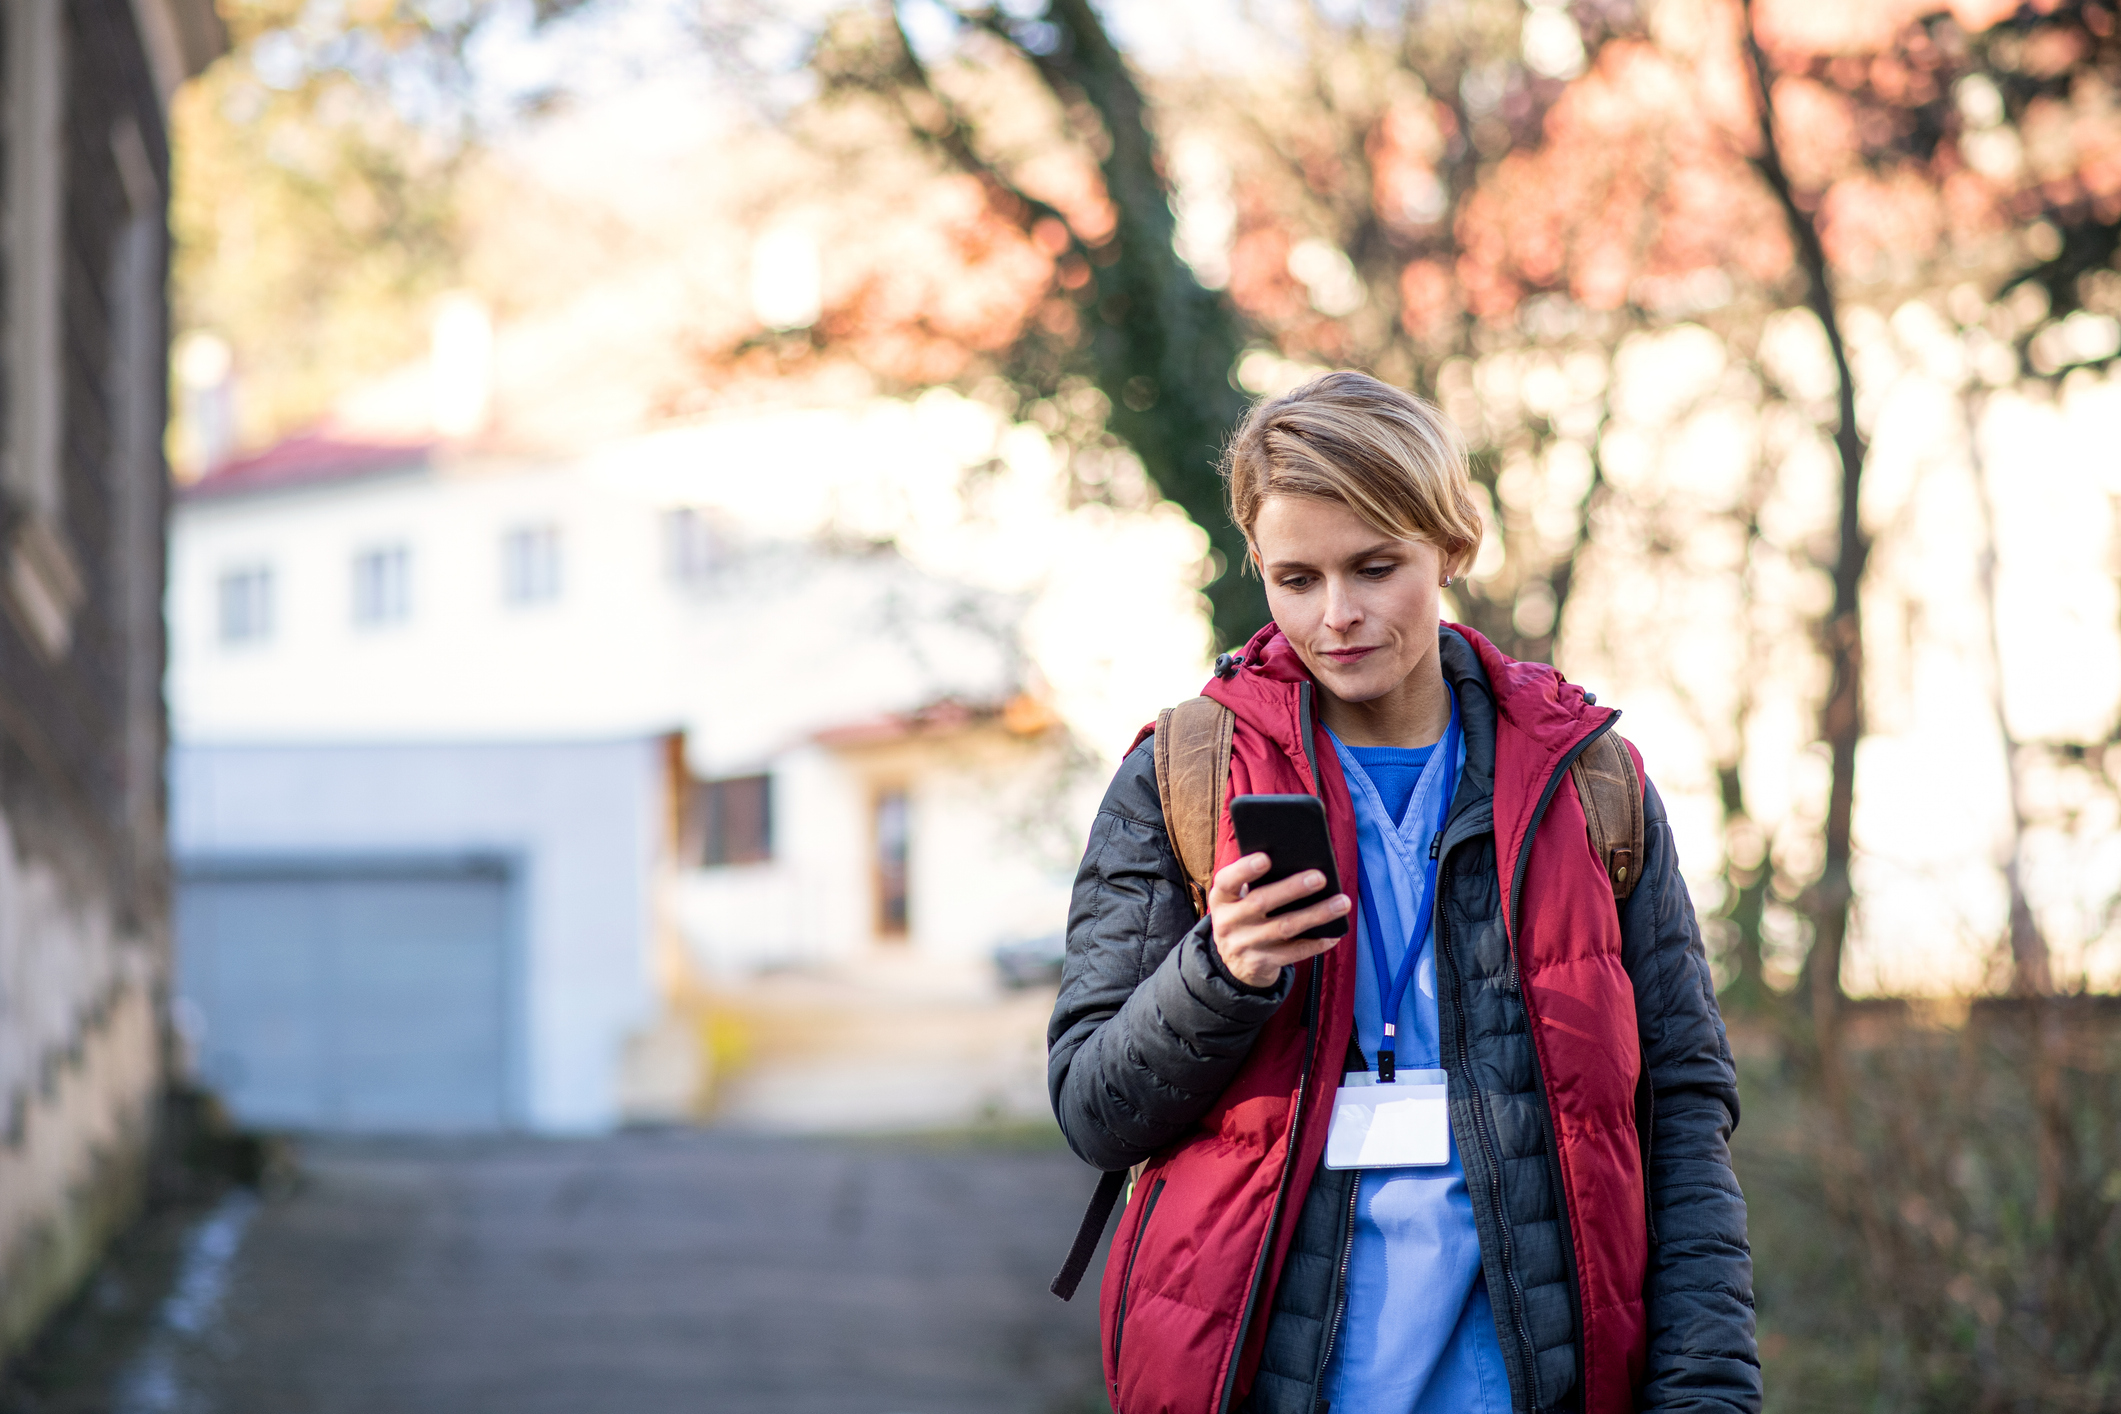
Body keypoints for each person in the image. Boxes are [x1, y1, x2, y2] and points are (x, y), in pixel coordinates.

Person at [1050, 372, 1759, 1414]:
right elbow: (1094, 1110)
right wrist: (1220, 974)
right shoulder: (1181, 776)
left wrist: (1706, 1395)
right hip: (1258, 1377)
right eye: (1295, 579)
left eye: (1374, 568)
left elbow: (1683, 1116)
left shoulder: (1590, 783)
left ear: (1452, 546)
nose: (1335, 616)